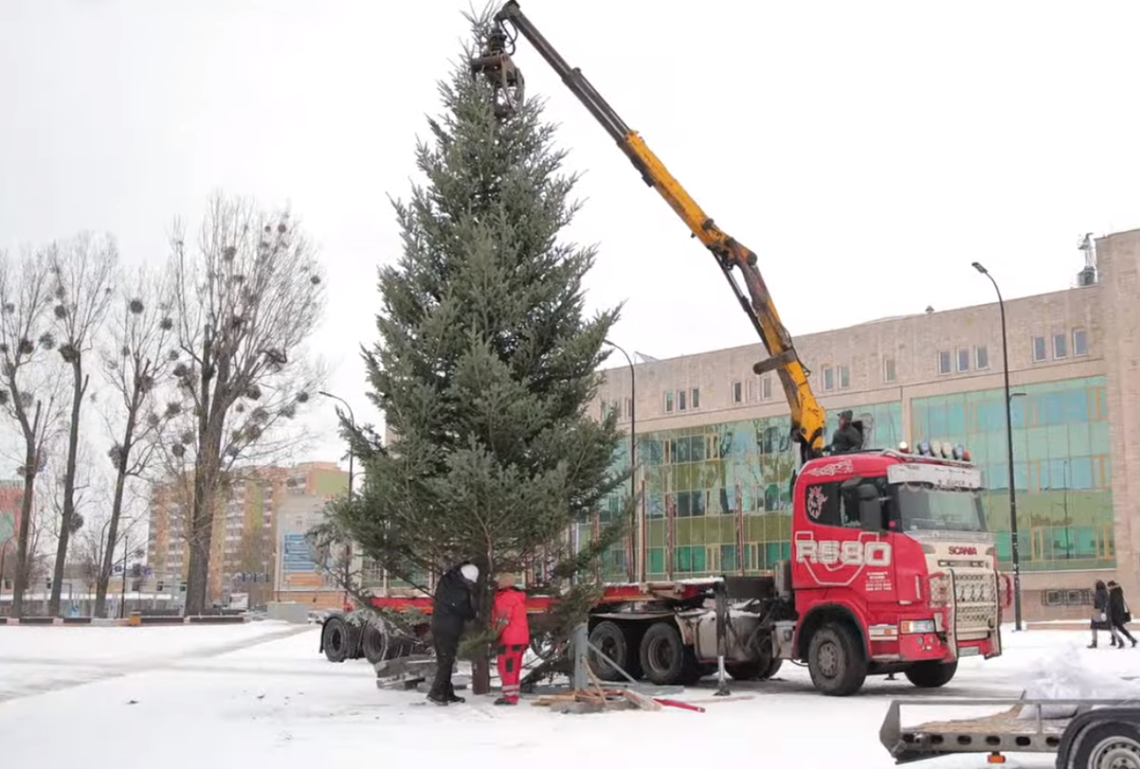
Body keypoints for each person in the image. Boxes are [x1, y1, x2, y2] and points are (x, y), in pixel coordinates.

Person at [427, 562, 479, 706]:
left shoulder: (448, 581)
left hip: (441, 625)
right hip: (447, 628)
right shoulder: (458, 591)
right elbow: (465, 610)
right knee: (446, 661)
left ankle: (446, 692)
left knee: (445, 659)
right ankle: (436, 693)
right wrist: (474, 613)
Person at [491, 572, 530, 706]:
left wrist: (493, 635)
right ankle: (512, 694)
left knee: (506, 668)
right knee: (514, 668)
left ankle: (509, 697)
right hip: (520, 638)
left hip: (509, 639)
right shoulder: (517, 596)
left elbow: (501, 620)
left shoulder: (504, 597)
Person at [1090, 579, 1122, 649]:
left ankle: (1094, 643)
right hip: (1105, 612)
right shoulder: (1106, 593)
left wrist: (1102, 611)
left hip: (1100, 613)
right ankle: (1120, 641)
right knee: (1109, 628)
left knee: (1094, 627)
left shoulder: (1098, 593)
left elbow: (1101, 603)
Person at [1108, 580, 1136, 648]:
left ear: (1111, 585)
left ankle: (1129, 640)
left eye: (1109, 586)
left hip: (1116, 613)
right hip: (1119, 612)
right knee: (1116, 628)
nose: (1108, 588)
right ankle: (1125, 640)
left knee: (1120, 628)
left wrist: (1110, 611)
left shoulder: (1114, 592)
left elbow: (1113, 604)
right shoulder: (1118, 591)